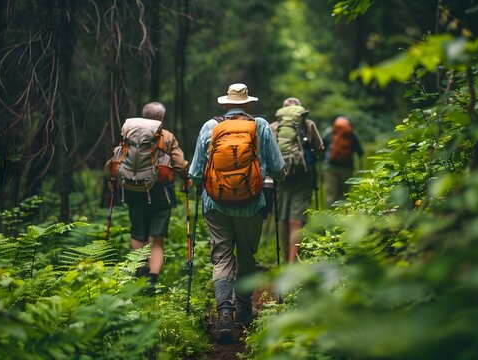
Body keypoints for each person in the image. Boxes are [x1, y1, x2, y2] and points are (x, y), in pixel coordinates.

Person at [188, 83, 285, 343]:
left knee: (221, 259)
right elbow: (277, 167)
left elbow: (196, 174)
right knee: (246, 255)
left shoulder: (210, 127)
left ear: (225, 105)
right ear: (248, 104)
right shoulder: (261, 125)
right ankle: (244, 311)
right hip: (251, 204)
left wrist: (202, 185)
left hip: (215, 204)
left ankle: (225, 315)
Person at [106, 102, 190, 292]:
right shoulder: (166, 136)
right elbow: (179, 164)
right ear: (161, 118)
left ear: (143, 116)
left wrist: (111, 179)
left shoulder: (129, 132)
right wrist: (186, 179)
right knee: (156, 239)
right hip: (160, 192)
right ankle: (152, 281)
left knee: (137, 233)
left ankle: (139, 274)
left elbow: (117, 157)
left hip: (132, 190)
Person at [270, 97, 324, 263]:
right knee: (297, 220)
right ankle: (294, 263)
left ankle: (286, 260)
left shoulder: (274, 127)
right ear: (300, 111)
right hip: (303, 177)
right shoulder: (308, 124)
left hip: (281, 179)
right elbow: (320, 147)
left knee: (284, 219)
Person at [322, 115, 364, 207]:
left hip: (330, 167)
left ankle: (331, 218)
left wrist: (321, 164)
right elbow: (360, 152)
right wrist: (360, 169)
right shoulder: (351, 134)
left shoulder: (329, 133)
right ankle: (343, 218)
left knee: (332, 194)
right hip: (347, 167)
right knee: (344, 194)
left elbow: (321, 149)